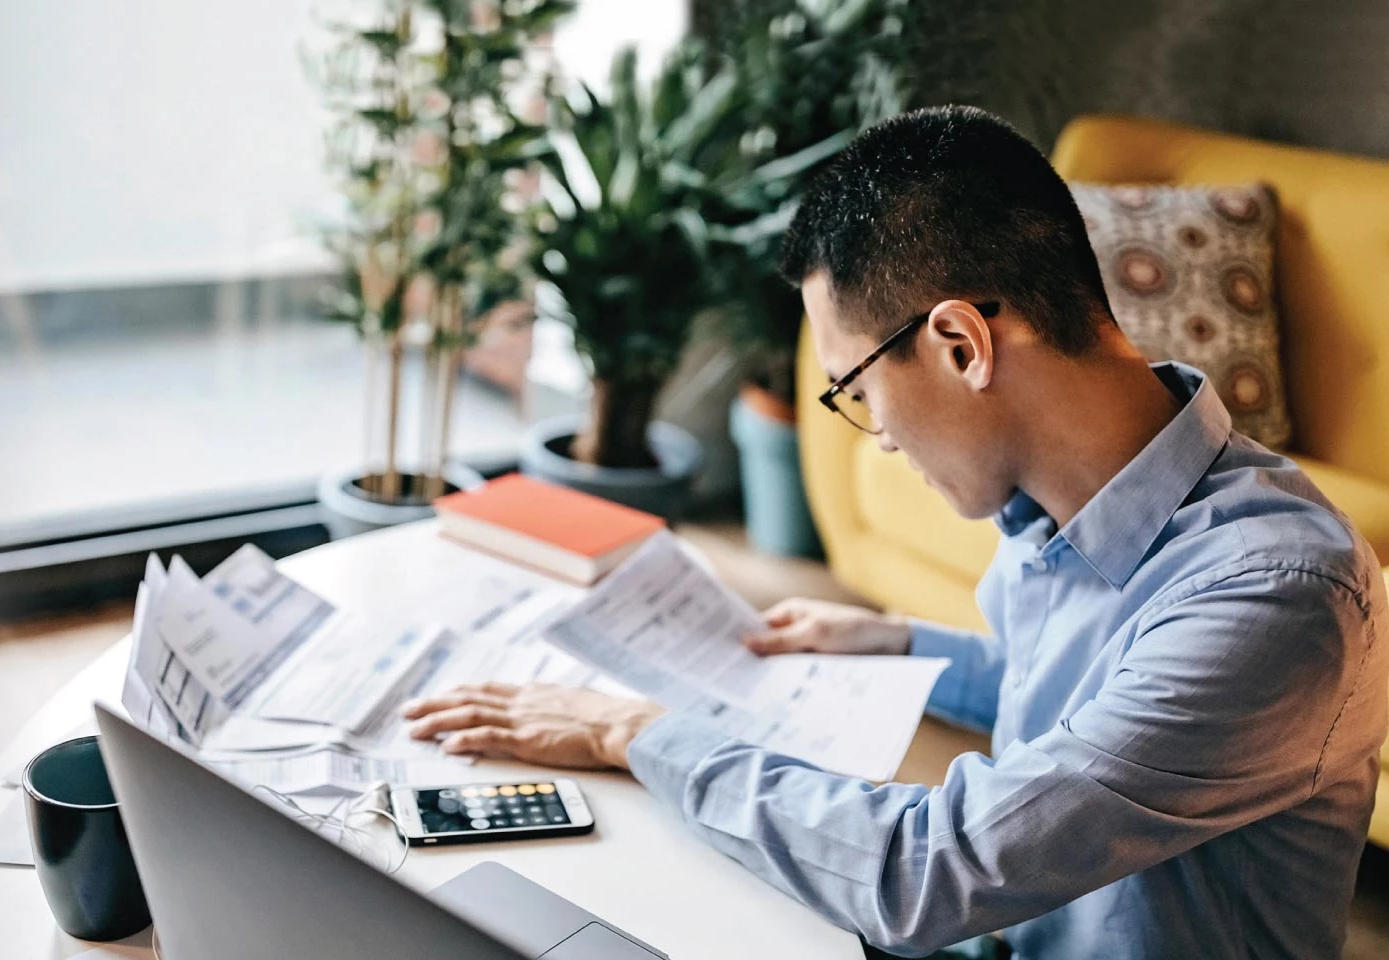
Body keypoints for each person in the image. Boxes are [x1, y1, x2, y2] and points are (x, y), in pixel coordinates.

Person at [401, 105, 1386, 959]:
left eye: (858, 389)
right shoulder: (1071, 498)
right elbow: (1091, 699)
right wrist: (900, 642)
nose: (875, 437)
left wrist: (636, 733)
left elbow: (934, 872)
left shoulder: (1276, 593)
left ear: (961, 343)